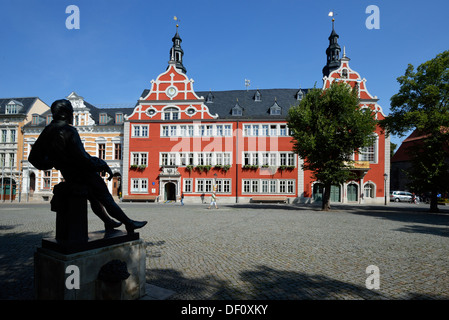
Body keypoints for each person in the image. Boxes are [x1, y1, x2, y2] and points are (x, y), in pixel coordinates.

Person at [29, 99, 147, 234]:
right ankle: (129, 223)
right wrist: (101, 164)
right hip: (84, 173)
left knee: (94, 199)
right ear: (65, 114)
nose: (73, 116)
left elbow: (33, 158)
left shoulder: (47, 131)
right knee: (106, 198)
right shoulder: (68, 131)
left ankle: (109, 222)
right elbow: (82, 158)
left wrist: (55, 163)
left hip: (70, 175)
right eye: (71, 113)